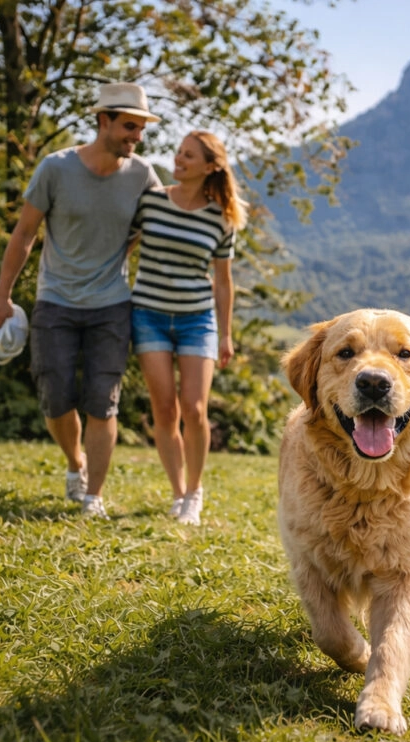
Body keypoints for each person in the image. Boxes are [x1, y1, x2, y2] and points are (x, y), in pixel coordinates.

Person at [0, 83, 162, 519]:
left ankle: (93, 497)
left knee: (103, 402)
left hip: (112, 305)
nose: (135, 137)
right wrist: (1, 296)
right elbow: (25, 233)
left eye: (140, 129)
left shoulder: (142, 174)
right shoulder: (56, 168)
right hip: (56, 301)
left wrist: (126, 246)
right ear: (102, 121)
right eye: (128, 126)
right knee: (56, 398)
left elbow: (163, 217)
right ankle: (74, 463)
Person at [129, 131, 247, 525]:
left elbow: (224, 281)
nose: (179, 159)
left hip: (198, 321)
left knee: (194, 409)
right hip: (149, 315)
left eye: (189, 155)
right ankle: (177, 492)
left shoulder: (222, 218)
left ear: (210, 166)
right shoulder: (151, 201)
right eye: (178, 152)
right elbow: (122, 247)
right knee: (165, 410)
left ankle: (195, 492)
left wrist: (226, 334)